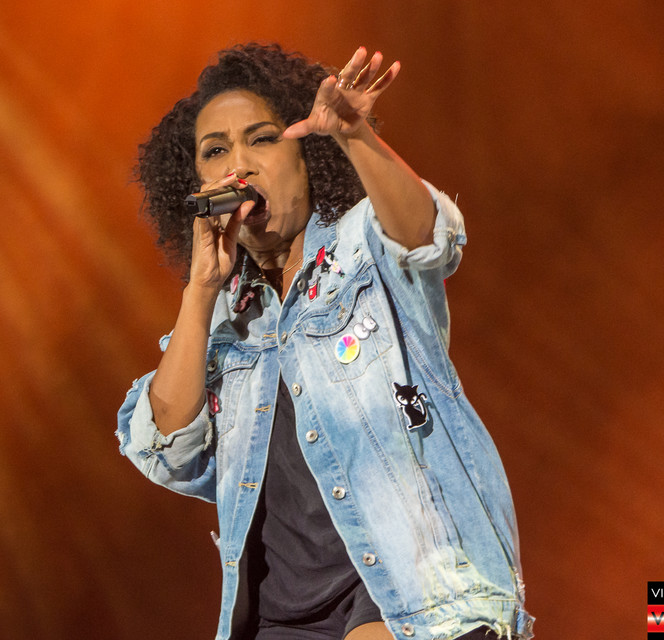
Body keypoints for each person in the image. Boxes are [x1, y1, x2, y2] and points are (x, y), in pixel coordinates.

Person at [116, 43, 534, 640]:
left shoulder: (363, 245)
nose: (239, 165)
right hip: (278, 619)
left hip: (409, 595)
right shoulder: (223, 322)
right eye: (216, 151)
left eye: (261, 139)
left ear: (305, 155)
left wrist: (355, 136)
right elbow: (167, 448)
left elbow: (428, 239)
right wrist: (201, 289)